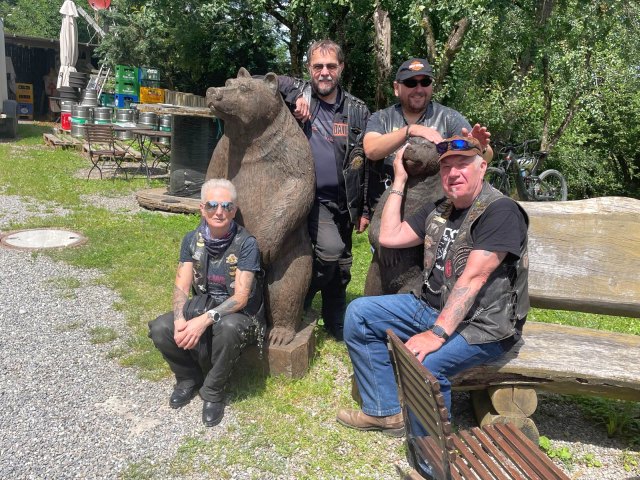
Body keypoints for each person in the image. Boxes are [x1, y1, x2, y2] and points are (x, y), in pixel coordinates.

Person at [337, 136, 529, 439]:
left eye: (462, 165)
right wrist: (399, 180)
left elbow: (474, 278)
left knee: (426, 365)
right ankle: (384, 412)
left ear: (482, 168)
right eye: (446, 167)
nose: (453, 173)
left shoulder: (500, 211)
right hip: (431, 307)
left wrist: (436, 334)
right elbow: (388, 236)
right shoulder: (441, 209)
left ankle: (429, 455)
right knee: (360, 313)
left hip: (483, 324)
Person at [148, 179, 265, 427]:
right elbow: (181, 287)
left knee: (228, 328)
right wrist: (180, 319)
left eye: (226, 206)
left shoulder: (246, 243)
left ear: (234, 210)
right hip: (203, 304)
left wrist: (203, 321)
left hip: (240, 313)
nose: (219, 212)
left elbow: (241, 297)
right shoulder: (191, 240)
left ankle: (213, 391)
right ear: (202, 208)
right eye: (212, 205)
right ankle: (187, 378)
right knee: (161, 327)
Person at [275, 39, 371, 341]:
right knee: (330, 253)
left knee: (342, 265)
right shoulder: (298, 96)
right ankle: (299, 297)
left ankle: (334, 317)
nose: (325, 72)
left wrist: (365, 208)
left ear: (341, 67)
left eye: (331, 66)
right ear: (309, 68)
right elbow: (259, 82)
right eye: (318, 66)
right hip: (312, 198)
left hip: (346, 201)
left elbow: (367, 163)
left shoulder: (358, 110)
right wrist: (295, 93)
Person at [363, 57, 492, 211]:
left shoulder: (449, 118)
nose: (419, 89)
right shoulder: (382, 118)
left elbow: (485, 156)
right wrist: (410, 130)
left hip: (435, 212)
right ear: (396, 88)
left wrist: (478, 147)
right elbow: (371, 150)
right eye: (411, 83)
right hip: (386, 210)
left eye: (425, 82)